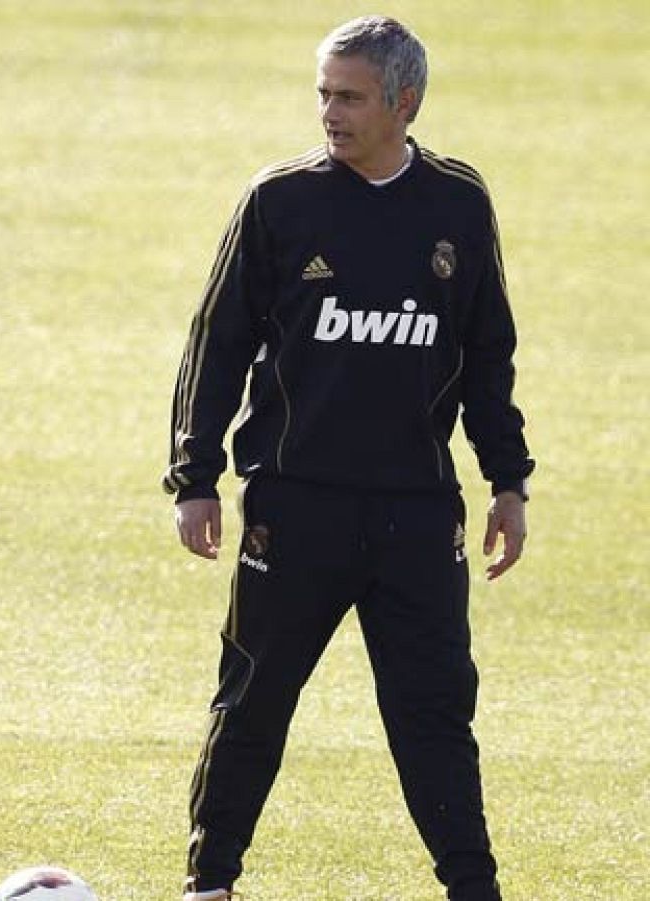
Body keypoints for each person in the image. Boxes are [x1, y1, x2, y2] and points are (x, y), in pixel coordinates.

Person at [163, 16, 533, 901]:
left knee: (434, 716)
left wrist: (508, 478)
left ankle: (473, 888)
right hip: (296, 508)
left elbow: (488, 352)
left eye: (351, 97)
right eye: (324, 93)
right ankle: (209, 883)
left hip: (416, 512)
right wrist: (195, 476)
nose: (330, 112)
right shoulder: (280, 201)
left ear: (405, 103)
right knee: (253, 702)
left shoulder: (458, 204)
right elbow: (217, 343)